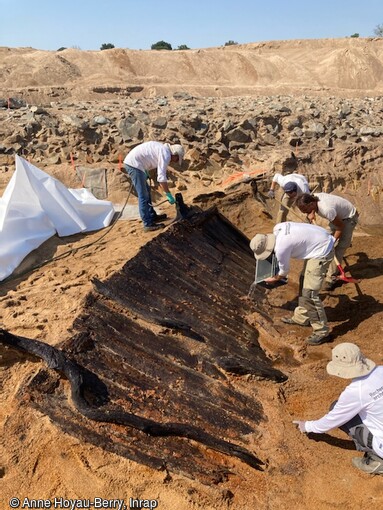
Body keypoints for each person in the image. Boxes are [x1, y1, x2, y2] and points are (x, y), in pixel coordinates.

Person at [293, 342, 383, 475]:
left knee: (337, 409)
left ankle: (377, 460)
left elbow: (334, 419)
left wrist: (307, 426)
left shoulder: (355, 391)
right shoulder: (380, 370)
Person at [250, 221, 335, 345]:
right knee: (303, 279)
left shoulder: (280, 248)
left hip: (323, 249)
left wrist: (275, 278)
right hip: (318, 240)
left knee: (309, 293)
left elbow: (284, 272)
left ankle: (322, 331)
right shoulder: (278, 229)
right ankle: (302, 317)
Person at [295, 193, 359, 290]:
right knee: (323, 240)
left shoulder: (326, 209)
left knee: (340, 247)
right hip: (337, 218)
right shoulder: (313, 199)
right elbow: (336, 223)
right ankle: (320, 268)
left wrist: (332, 242)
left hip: (348, 218)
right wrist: (311, 213)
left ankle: (330, 278)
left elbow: (340, 227)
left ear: (311, 204)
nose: (305, 213)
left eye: (305, 210)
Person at [123, 141, 184, 232]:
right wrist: (168, 194)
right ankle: (147, 224)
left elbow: (147, 156)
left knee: (147, 191)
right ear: (174, 154)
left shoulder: (163, 150)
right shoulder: (166, 154)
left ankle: (152, 216)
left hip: (138, 165)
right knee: (143, 195)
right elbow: (161, 177)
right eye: (176, 159)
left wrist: (145, 170)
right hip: (134, 165)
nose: (174, 162)